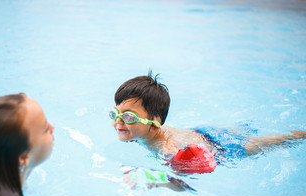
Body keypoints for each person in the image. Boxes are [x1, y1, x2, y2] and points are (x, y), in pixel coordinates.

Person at [110, 73, 306, 189]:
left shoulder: (167, 150)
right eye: (115, 114)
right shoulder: (141, 132)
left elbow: (181, 185)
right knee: (244, 129)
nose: (118, 122)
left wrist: (151, 178)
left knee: (270, 142)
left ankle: (300, 134)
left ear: (153, 124)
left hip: (221, 148)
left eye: (128, 117)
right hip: (200, 131)